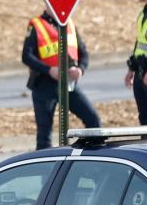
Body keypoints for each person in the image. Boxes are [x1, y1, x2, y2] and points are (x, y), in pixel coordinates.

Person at [23, 9, 101, 150]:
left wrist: (80, 69)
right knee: (44, 133)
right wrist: (49, 70)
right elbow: (26, 56)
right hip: (44, 84)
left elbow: (83, 53)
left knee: (93, 119)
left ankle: (93, 157)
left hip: (68, 83)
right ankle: (45, 168)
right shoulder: (37, 25)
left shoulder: (69, 23)